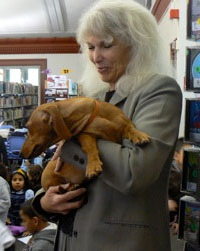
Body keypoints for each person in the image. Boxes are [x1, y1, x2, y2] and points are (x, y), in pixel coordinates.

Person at [32, 0, 182, 250]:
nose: (95, 57)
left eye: (106, 45)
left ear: (136, 44)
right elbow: (61, 167)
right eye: (90, 47)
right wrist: (44, 202)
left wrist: (75, 139)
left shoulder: (159, 91)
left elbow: (134, 173)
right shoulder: (95, 99)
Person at [169, 138, 192, 235]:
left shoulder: (193, 174)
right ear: (175, 155)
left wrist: (180, 220)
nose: (192, 159)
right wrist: (166, 200)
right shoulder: (165, 173)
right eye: (187, 155)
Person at [7, 168, 34, 236]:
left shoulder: (28, 193)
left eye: (20, 179)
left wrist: (29, 229)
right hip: (10, 222)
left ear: (25, 181)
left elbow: (30, 211)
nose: (17, 182)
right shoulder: (7, 192)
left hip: (23, 222)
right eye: (14, 180)